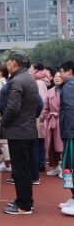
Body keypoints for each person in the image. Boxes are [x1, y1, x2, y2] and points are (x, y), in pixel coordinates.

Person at [1, 50, 39, 215]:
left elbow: (13, 108)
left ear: (14, 62)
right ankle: (23, 200)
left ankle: (24, 205)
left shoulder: (16, 81)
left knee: (20, 170)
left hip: (18, 131)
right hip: (28, 128)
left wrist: (4, 122)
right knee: (24, 169)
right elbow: (38, 105)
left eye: (8, 60)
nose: (7, 63)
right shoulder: (29, 78)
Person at [58, 61, 74, 215]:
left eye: (62, 71)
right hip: (70, 131)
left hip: (71, 132)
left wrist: (68, 132)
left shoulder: (69, 86)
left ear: (70, 71)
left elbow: (70, 109)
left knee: (69, 166)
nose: (60, 74)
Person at [42, 72, 63, 177]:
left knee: (63, 146)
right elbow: (45, 108)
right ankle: (55, 167)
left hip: (63, 121)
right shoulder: (50, 91)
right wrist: (46, 117)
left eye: (59, 77)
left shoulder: (67, 90)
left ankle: (65, 168)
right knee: (51, 146)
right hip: (52, 121)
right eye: (55, 77)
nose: (57, 78)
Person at [32, 63, 50, 171]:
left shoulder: (38, 82)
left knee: (38, 140)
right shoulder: (42, 81)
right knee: (40, 140)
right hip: (41, 116)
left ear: (36, 70)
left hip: (39, 117)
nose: (30, 70)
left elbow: (41, 101)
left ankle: (40, 163)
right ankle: (40, 162)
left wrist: (40, 116)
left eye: (31, 68)